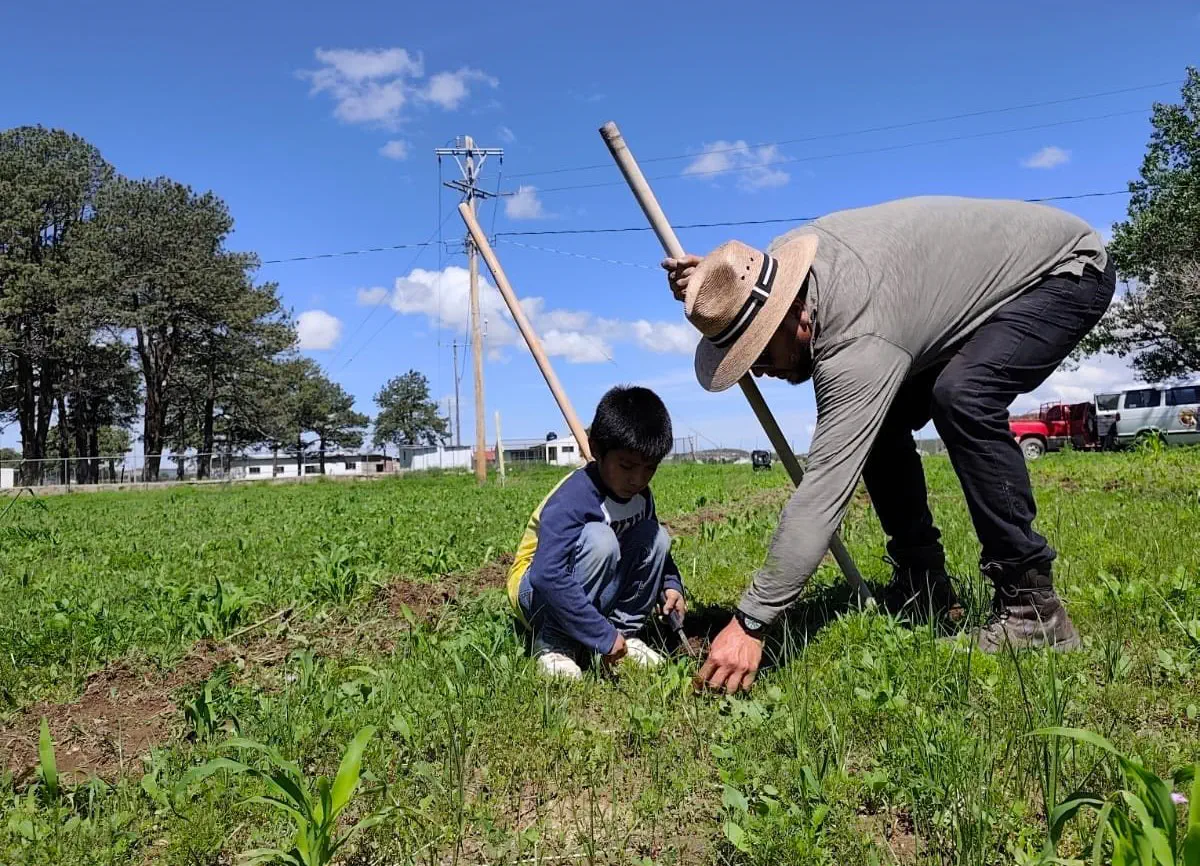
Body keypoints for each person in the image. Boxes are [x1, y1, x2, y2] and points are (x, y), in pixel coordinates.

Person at [661, 196, 1114, 694]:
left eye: (762, 350)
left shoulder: (857, 338)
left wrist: (751, 622)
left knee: (964, 395)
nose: (762, 371)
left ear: (797, 316)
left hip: (1062, 272)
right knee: (884, 421)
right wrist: (711, 280)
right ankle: (925, 587)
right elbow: (748, 279)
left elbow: (823, 494)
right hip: (967, 291)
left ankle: (1034, 611)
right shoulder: (779, 267)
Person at [507, 385, 687, 680]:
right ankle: (555, 645)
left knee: (655, 536)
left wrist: (671, 585)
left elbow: (655, 553)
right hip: (536, 593)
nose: (637, 479)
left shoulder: (641, 497)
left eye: (649, 468)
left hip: (587, 584)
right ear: (596, 450)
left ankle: (623, 635)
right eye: (627, 466)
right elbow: (546, 574)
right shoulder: (574, 498)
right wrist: (598, 633)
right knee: (600, 540)